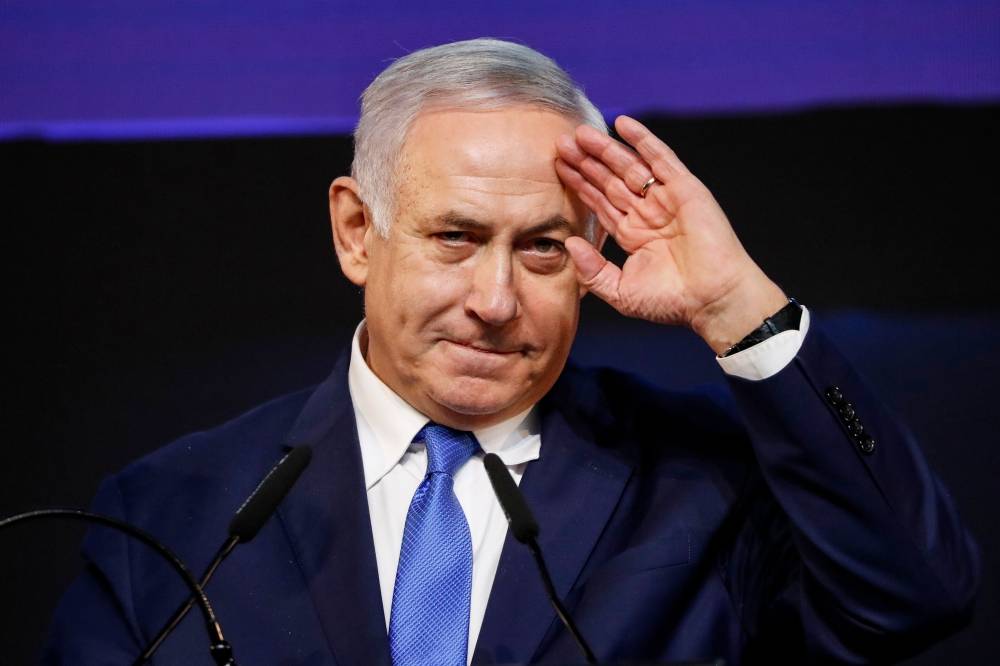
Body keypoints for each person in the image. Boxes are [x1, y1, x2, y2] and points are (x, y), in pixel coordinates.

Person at [45, 38, 979, 665]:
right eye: (454, 237)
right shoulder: (174, 514)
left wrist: (740, 305)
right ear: (355, 231)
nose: (496, 302)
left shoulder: (701, 487)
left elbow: (920, 598)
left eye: (543, 247)